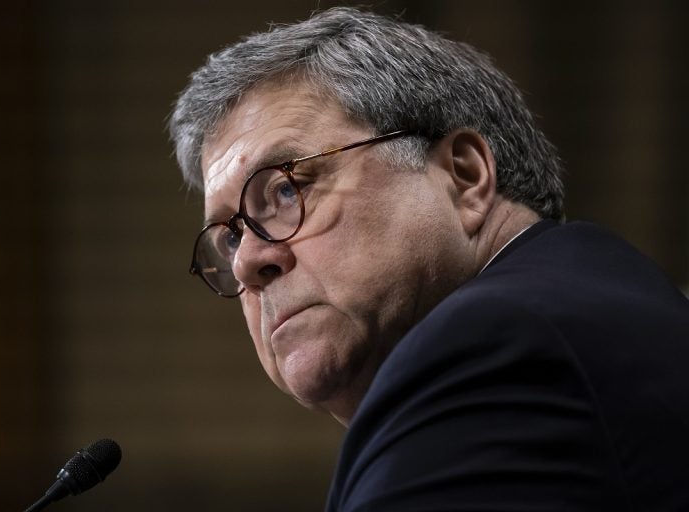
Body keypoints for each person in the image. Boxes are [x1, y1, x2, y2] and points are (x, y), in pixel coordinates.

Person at [169, 7, 689, 511]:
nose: (247, 262)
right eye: (231, 237)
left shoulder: (496, 347)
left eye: (285, 189)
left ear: (463, 177)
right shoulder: (579, 302)